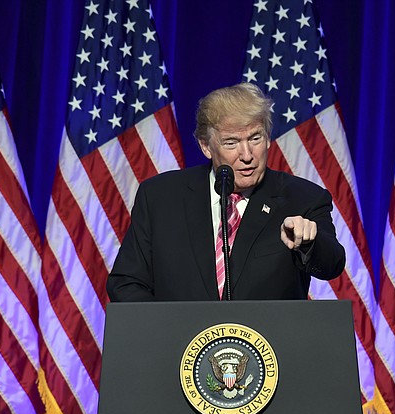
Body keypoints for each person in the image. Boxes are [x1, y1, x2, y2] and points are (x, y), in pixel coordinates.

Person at [106, 82, 346, 302]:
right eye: (231, 143)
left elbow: (332, 265)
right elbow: (126, 283)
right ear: (205, 146)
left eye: (255, 138)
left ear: (268, 137)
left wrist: (308, 244)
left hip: (267, 346)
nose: (247, 155)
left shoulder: (302, 198)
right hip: (180, 346)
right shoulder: (160, 197)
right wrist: (167, 335)